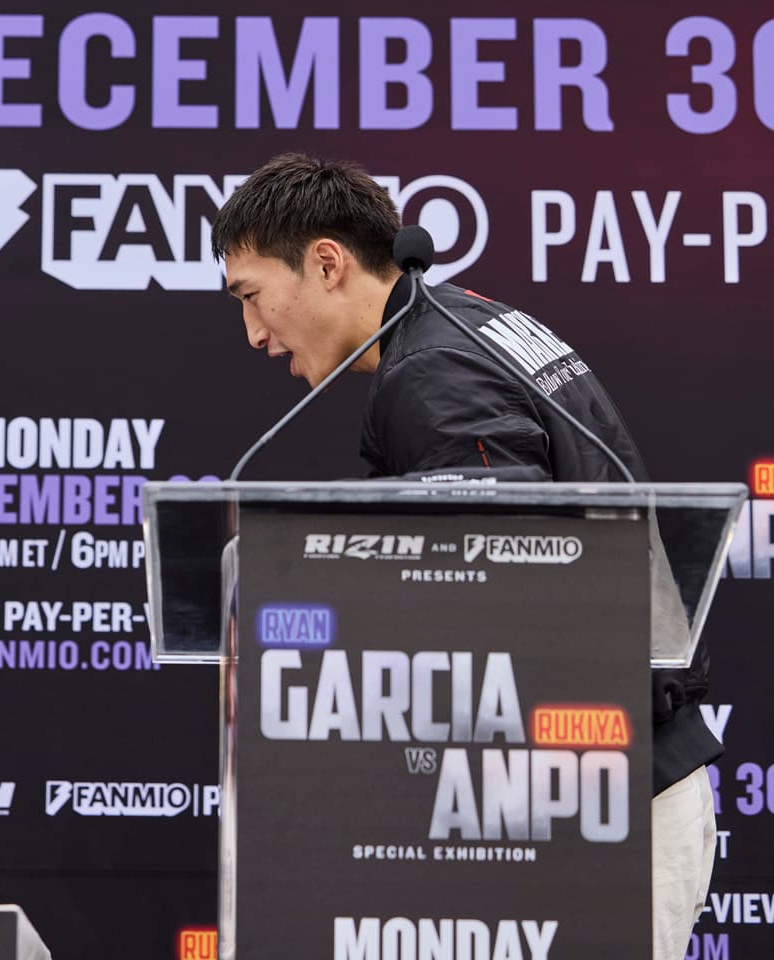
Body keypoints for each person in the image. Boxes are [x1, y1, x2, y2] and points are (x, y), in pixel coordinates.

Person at [210, 152, 720, 960]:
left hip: (596, 804)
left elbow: (504, 593)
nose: (255, 334)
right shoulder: (466, 322)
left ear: (328, 263)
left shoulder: (435, 371)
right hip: (595, 783)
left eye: (252, 296)